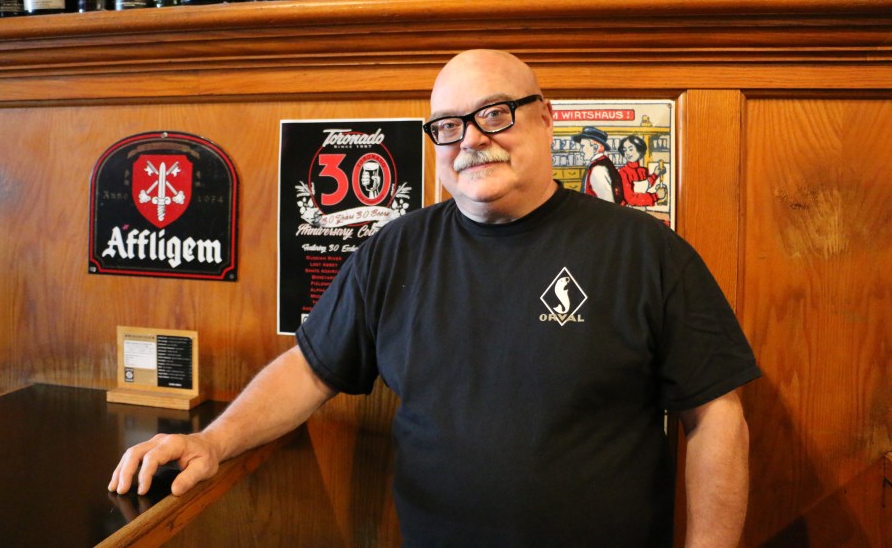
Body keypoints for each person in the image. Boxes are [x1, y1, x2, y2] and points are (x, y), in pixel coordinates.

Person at [109, 50, 760, 547]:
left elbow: (716, 416)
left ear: (546, 117)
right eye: (448, 126)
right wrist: (216, 442)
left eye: (495, 114)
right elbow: (309, 369)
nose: (472, 138)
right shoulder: (396, 252)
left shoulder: (643, 250)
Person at [573, 125, 625, 204]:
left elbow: (607, 205)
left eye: (583, 146)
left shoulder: (598, 170)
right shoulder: (602, 163)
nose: (581, 150)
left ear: (594, 147)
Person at [618, 134, 668, 208]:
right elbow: (631, 199)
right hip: (628, 210)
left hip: (643, 208)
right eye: (625, 150)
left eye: (631, 149)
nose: (627, 153)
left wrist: (655, 174)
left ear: (640, 150)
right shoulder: (623, 172)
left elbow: (646, 185)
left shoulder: (643, 170)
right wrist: (655, 196)